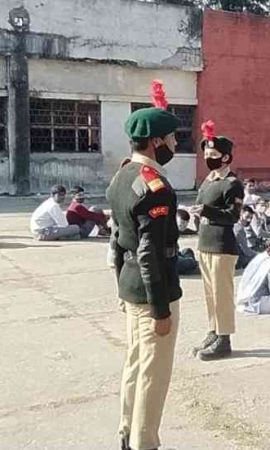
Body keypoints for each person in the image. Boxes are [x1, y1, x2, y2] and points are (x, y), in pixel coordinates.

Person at [106, 80, 182, 450]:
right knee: (154, 374)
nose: (175, 145)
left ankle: (125, 432)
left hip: (130, 285)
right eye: (171, 139)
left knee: (135, 365)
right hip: (154, 291)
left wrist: (119, 283)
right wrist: (161, 309)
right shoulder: (156, 188)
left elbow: (117, 240)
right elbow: (151, 253)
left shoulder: (121, 176)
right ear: (156, 142)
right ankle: (144, 442)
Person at [190, 120, 244, 361]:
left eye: (213, 155)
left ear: (226, 157)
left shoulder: (232, 184)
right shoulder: (208, 180)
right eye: (206, 154)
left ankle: (224, 339)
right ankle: (213, 330)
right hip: (205, 242)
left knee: (222, 294)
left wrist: (206, 212)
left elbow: (232, 216)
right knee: (210, 293)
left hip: (222, 244)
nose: (208, 158)